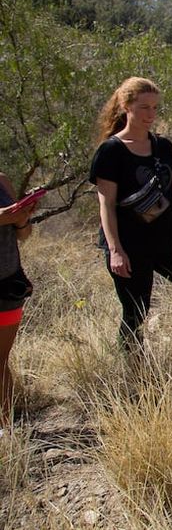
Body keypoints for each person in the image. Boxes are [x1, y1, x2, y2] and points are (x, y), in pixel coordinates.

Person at [90, 77, 172, 349]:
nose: (150, 115)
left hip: (166, 242)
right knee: (136, 313)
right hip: (129, 247)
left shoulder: (163, 147)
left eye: (154, 108)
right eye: (143, 108)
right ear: (126, 106)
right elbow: (106, 205)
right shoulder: (111, 151)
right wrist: (115, 250)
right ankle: (133, 373)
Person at [0, 173, 35, 429]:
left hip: (9, 284)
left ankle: (6, 430)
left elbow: (23, 235)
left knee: (0, 360)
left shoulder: (2, 180)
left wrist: (22, 219)